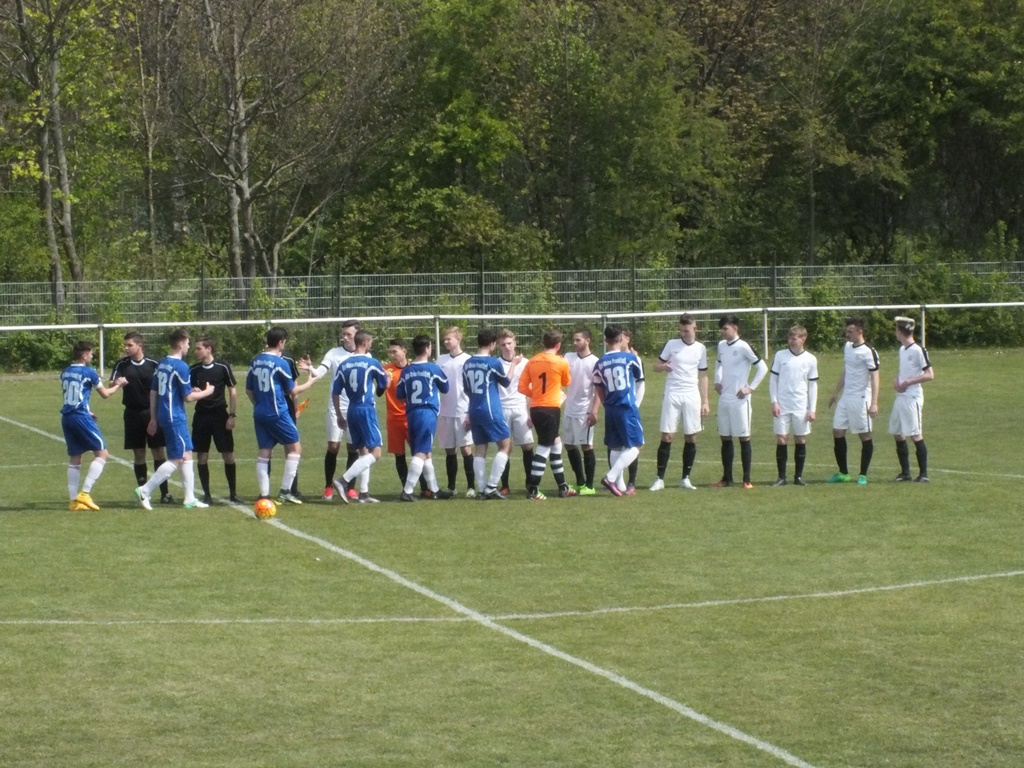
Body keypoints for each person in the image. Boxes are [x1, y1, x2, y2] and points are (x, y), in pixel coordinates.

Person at [133, 328, 215, 510]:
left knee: (186, 455)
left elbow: (154, 391)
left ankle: (189, 498)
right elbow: (187, 398)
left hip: (166, 414)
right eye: (187, 343)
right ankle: (145, 490)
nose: (188, 347)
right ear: (180, 343)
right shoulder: (181, 366)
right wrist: (206, 393)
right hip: (174, 416)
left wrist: (154, 417)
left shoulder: (162, 363)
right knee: (177, 458)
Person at [246, 326, 316, 505]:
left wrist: (259, 404)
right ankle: (285, 491)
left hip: (259, 412)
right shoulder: (280, 363)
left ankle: (264, 495)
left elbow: (249, 390)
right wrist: (310, 382)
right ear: (281, 342)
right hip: (277, 412)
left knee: (264, 451)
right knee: (295, 448)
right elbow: (292, 391)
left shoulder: (256, 361)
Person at [61, 341, 128, 511]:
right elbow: (105, 394)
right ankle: (85, 493)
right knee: (102, 453)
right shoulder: (88, 372)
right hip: (80, 417)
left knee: (76, 457)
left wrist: (87, 410)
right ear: (84, 355)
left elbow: (75, 394)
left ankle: (73, 501)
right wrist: (119, 385)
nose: (92, 355)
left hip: (67, 416)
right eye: (90, 353)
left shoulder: (66, 372)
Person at [110, 332, 173, 503]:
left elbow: (164, 384)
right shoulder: (122, 364)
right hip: (132, 413)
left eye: (129, 345)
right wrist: (117, 383)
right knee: (139, 453)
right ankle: (144, 492)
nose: (126, 348)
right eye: (126, 345)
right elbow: (111, 382)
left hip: (152, 412)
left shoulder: (154, 364)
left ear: (140, 346)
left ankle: (165, 493)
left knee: (158, 451)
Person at [650, 314, 710, 492]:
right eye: (681, 330)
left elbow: (703, 375)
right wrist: (663, 367)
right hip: (673, 393)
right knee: (667, 435)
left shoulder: (701, 349)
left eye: (687, 329)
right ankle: (659, 479)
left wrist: (705, 401)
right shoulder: (671, 344)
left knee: (691, 435)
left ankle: (685, 478)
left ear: (694, 328)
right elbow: (655, 366)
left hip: (691, 394)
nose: (684, 333)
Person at [331, 329, 390, 504]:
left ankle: (364, 493)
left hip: (351, 409)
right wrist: (388, 380)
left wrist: (339, 415)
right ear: (365, 343)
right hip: (365, 409)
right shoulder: (372, 363)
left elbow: (335, 392)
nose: (371, 344)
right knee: (376, 452)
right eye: (370, 342)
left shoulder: (344, 365)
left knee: (363, 450)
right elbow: (382, 386)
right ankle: (343, 481)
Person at [518, 329, 575, 499]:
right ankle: (533, 488)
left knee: (556, 444)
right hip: (551, 409)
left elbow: (521, 387)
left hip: (536, 408)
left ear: (544, 343)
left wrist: (536, 394)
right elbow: (567, 382)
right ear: (558, 345)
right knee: (544, 447)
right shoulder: (560, 362)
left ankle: (562, 486)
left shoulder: (533, 361)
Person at [712, 314, 768, 489]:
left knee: (744, 438)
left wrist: (750, 388)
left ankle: (746, 479)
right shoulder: (721, 346)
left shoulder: (744, 346)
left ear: (735, 327)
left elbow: (762, 368)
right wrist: (717, 381)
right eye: (721, 328)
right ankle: (727, 478)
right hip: (724, 399)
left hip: (740, 401)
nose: (723, 331)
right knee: (725, 438)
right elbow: (719, 364)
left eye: (725, 328)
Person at [307, 319, 360, 500]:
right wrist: (311, 369)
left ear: (357, 336)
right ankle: (328, 486)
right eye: (343, 334)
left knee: (353, 448)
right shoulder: (334, 353)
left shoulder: (364, 355)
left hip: (355, 407)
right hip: (336, 406)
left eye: (348, 334)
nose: (344, 337)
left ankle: (350, 487)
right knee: (333, 446)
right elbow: (321, 372)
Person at [590, 325, 645, 496]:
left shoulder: (599, 363)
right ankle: (611, 477)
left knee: (615, 447)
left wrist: (606, 403)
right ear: (621, 339)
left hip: (611, 408)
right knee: (637, 445)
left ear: (605, 340)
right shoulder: (630, 358)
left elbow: (598, 387)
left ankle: (620, 486)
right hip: (627, 407)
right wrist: (635, 403)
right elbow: (640, 380)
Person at [395, 335, 450, 502]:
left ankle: (434, 489)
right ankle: (408, 490)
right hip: (427, 412)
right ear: (427, 349)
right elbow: (445, 387)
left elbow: (400, 395)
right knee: (421, 452)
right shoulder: (433, 369)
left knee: (426, 451)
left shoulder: (407, 370)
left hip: (411, 413)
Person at [827, 316, 880, 485]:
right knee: (837, 431)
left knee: (864, 435)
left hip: (861, 398)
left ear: (860, 332)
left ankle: (863, 474)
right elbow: (846, 370)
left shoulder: (868, 351)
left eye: (850, 331)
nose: (847, 334)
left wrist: (874, 403)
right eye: (847, 331)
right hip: (846, 397)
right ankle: (843, 472)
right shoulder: (848, 347)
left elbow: (875, 377)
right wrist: (835, 392)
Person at [189, 335, 242, 504]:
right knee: (202, 456)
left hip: (220, 416)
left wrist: (232, 415)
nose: (195, 351)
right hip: (201, 417)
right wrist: (193, 389)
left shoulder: (222, 367)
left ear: (208, 349)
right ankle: (207, 495)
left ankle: (233, 493)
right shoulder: (194, 370)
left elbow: (232, 391)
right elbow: (187, 391)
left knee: (228, 455)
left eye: (199, 348)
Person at [463, 328, 513, 500]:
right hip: (490, 410)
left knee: (480, 449)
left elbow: (467, 389)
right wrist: (513, 365)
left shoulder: (467, 363)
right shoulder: (493, 363)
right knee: (506, 445)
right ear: (492, 344)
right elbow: (506, 382)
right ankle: (491, 486)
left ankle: (482, 488)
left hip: (474, 409)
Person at [768, 325, 819, 486]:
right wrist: (774, 401)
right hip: (782, 405)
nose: (791, 341)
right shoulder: (780, 355)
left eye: (794, 338)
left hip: (800, 405)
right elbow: (773, 380)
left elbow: (812, 385)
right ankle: (781, 476)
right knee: (782, 439)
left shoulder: (810, 359)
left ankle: (798, 477)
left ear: (803, 339)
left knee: (800, 439)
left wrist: (812, 409)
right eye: (790, 337)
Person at [889, 316, 934, 482]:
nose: (895, 333)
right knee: (898, 433)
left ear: (900, 332)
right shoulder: (902, 350)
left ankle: (923, 474)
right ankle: (905, 472)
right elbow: (905, 372)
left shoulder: (918, 350)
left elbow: (930, 374)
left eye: (896, 330)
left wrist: (909, 382)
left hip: (912, 397)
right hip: (900, 396)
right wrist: (897, 380)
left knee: (915, 434)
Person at [383, 338, 426, 495]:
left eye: (395, 351)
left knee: (418, 453)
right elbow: (379, 392)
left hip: (411, 417)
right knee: (399, 455)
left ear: (404, 351)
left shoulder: (414, 369)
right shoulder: (387, 370)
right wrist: (384, 382)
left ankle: (424, 487)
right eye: (391, 352)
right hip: (393, 419)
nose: (392, 355)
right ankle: (406, 489)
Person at [436, 326, 475, 498]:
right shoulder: (441, 360)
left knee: (466, 449)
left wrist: (470, 413)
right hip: (445, 411)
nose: (445, 342)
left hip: (462, 411)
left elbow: (473, 389)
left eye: (448, 339)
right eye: (444, 339)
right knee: (449, 450)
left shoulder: (468, 360)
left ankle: (471, 486)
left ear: (458, 339)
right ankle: (451, 487)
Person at [496, 329, 534, 495]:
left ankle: (530, 483)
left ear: (515, 343)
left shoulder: (526, 363)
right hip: (502, 408)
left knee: (527, 446)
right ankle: (504, 485)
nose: (507, 347)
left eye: (509, 343)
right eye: (503, 344)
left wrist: (531, 411)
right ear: (498, 346)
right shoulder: (496, 363)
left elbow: (531, 389)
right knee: (505, 448)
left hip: (520, 408)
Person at [563, 328, 599, 494]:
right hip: (569, 409)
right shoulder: (568, 357)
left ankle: (590, 486)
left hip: (584, 411)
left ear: (587, 341)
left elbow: (598, 389)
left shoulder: (594, 362)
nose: (575, 343)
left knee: (586, 445)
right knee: (569, 445)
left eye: (578, 340)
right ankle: (580, 481)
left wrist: (594, 411)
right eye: (574, 340)